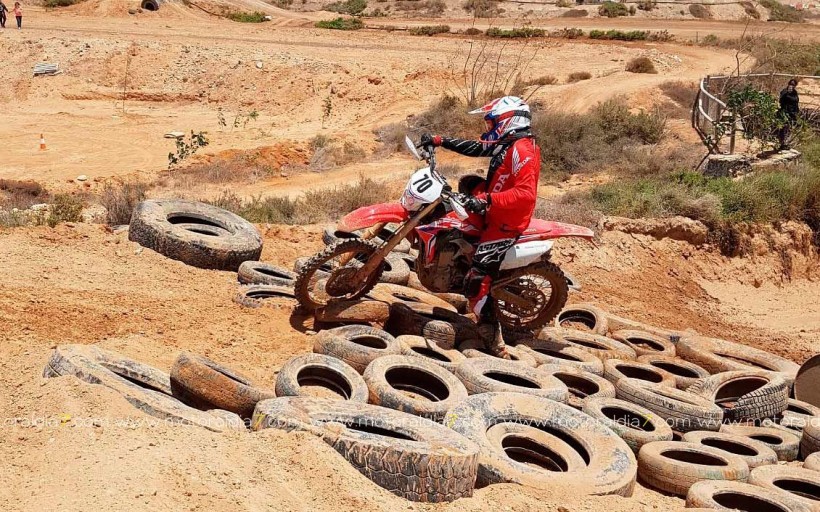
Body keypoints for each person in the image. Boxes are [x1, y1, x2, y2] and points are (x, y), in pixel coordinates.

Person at [421, 96, 540, 359]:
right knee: (466, 183)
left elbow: (525, 194)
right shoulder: (507, 143)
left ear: (508, 120)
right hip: (493, 203)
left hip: (506, 221)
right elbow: (478, 147)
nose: (489, 127)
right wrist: (440, 141)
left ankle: (494, 342)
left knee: (476, 282)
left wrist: (486, 200)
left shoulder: (523, 150)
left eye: (492, 121)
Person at [779, 79, 799, 150]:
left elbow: (796, 102)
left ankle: (786, 144)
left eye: (793, 85)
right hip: (785, 112)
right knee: (783, 128)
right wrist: (787, 93)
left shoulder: (795, 93)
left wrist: (796, 113)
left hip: (792, 114)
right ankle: (782, 144)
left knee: (789, 129)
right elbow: (781, 100)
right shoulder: (784, 91)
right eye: (790, 84)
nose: (791, 86)